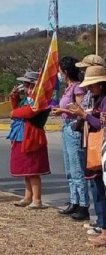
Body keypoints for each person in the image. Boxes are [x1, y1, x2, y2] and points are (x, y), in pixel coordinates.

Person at [69, 65, 106, 247]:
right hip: (93, 147)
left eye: (92, 85)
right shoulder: (97, 98)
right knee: (97, 190)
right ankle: (104, 228)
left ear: (101, 83)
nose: (89, 89)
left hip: (101, 148)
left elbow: (102, 124)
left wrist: (83, 115)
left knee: (102, 192)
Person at [52, 56, 90, 220]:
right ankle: (74, 200)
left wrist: (63, 111)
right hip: (66, 127)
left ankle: (83, 204)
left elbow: (81, 109)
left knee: (77, 168)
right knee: (69, 168)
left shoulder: (78, 88)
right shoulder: (68, 88)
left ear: (65, 71)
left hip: (75, 127)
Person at [8, 71, 50, 209]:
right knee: (26, 170)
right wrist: (14, 97)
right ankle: (28, 197)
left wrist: (14, 113)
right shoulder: (27, 99)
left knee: (33, 170)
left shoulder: (40, 99)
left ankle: (37, 199)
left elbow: (29, 112)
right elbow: (17, 108)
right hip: (21, 136)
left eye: (28, 85)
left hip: (32, 138)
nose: (26, 88)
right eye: (25, 85)